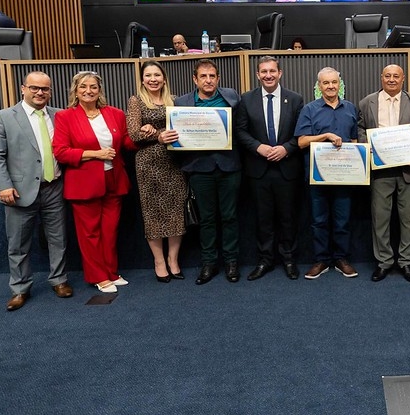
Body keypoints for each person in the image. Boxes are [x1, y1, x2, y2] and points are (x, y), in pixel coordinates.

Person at [0, 71, 72, 311]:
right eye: (34, 88)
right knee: (18, 244)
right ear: (23, 88)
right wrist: (3, 185)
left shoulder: (60, 116)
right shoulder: (3, 117)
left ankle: (59, 280)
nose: (39, 93)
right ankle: (20, 288)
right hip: (19, 191)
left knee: (58, 239)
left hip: (54, 186)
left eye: (45, 89)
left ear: (50, 91)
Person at [159, 58, 242, 285]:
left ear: (218, 78)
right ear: (195, 79)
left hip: (229, 166)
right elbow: (174, 132)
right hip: (199, 168)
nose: (208, 80)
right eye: (203, 76)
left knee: (230, 217)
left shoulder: (232, 97)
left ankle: (232, 262)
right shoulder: (182, 102)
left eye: (212, 76)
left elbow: (242, 128)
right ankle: (209, 263)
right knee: (206, 219)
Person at [52, 71, 136, 293]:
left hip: (114, 180)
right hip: (84, 184)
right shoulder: (65, 117)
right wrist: (95, 154)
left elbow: (127, 142)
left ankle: (111, 272)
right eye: (83, 87)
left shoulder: (115, 114)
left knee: (110, 230)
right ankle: (98, 276)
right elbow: (61, 152)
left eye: (93, 87)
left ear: (100, 90)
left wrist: (146, 134)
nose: (88, 91)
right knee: (90, 233)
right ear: (75, 90)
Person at [235, 56, 304, 281]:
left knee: (288, 218)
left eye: (272, 71)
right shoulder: (246, 100)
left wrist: (286, 148)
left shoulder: (295, 99)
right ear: (257, 75)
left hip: (287, 168)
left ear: (280, 73)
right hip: (258, 169)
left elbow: (301, 134)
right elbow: (241, 131)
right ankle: (265, 260)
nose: (268, 75)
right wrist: (258, 147)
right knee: (263, 219)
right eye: (263, 71)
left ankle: (289, 259)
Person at [358, 64, 410, 282]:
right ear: (381, 78)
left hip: (409, 170)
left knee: (408, 219)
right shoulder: (367, 102)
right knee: (380, 219)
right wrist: (369, 149)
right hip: (380, 170)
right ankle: (384, 262)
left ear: (403, 78)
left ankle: (406, 262)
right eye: (388, 76)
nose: (392, 80)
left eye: (396, 76)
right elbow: (361, 130)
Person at [294, 67, 359, 279]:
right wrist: (325, 136)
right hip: (317, 176)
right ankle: (321, 260)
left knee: (343, 220)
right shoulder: (309, 110)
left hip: (345, 176)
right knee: (319, 220)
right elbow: (301, 142)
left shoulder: (350, 108)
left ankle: (341, 258)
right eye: (326, 83)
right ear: (319, 86)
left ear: (340, 84)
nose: (331, 86)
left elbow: (356, 141)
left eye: (334, 82)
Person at [127, 60, 188, 282]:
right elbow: (133, 133)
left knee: (175, 212)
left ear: (164, 78)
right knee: (153, 214)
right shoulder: (136, 101)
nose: (153, 79)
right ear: (142, 79)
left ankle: (173, 260)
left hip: (174, 163)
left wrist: (156, 130)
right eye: (148, 75)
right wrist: (157, 135)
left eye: (157, 75)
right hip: (148, 164)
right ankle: (159, 261)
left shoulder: (175, 100)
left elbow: (185, 128)